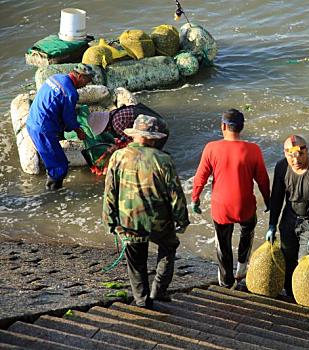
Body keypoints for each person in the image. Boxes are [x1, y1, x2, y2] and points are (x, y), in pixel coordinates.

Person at [102, 115, 189, 309]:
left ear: (135, 135)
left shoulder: (118, 156)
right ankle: (159, 290)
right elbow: (175, 194)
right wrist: (182, 219)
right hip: (159, 220)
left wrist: (109, 219)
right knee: (168, 247)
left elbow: (110, 191)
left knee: (135, 258)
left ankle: (141, 299)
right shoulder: (163, 159)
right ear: (152, 137)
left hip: (129, 220)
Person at [191, 108, 270, 288]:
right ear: (241, 127)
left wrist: (195, 198)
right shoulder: (253, 149)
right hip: (245, 206)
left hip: (221, 208)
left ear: (223, 126)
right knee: (247, 230)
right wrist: (268, 200)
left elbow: (200, 177)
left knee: (223, 243)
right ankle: (242, 268)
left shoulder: (211, 148)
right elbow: (263, 179)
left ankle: (226, 282)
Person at [265, 135, 309, 298]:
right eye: (291, 157)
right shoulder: (281, 168)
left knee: (304, 264)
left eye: (301, 155)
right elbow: (277, 198)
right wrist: (272, 225)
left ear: (306, 151)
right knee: (287, 261)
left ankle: (302, 298)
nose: (296, 161)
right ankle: (290, 296)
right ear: (285, 154)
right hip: (289, 219)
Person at [26, 63, 95, 190]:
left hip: (32, 121)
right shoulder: (70, 93)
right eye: (87, 80)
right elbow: (69, 119)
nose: (87, 85)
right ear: (80, 76)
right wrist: (79, 131)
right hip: (43, 129)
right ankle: (54, 196)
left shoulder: (56, 77)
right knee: (59, 166)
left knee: (53, 157)